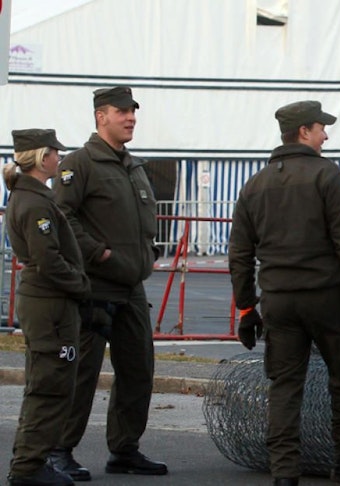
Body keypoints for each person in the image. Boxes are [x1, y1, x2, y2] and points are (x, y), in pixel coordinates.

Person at [228, 100, 340, 486]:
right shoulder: (328, 176)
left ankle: (284, 472)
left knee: (285, 385)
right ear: (304, 132)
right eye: (321, 127)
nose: (326, 135)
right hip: (327, 298)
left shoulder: (254, 184)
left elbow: (239, 253)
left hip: (278, 301)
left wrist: (246, 308)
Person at [50, 86, 167, 480]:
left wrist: (147, 252)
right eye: (122, 112)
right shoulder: (79, 164)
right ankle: (59, 450)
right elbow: (63, 217)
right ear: (101, 116)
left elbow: (141, 220)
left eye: (133, 112)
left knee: (138, 369)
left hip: (132, 287)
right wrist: (97, 253)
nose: (131, 118)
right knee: (81, 372)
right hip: (94, 286)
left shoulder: (132, 166)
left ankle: (125, 449)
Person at [5, 129, 90, 486]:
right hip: (49, 305)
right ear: (43, 158)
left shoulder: (32, 196)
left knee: (48, 383)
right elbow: (48, 260)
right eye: (56, 152)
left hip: (49, 302)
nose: (60, 157)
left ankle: (32, 462)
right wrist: (81, 285)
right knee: (49, 387)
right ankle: (28, 468)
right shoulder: (36, 202)